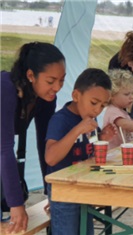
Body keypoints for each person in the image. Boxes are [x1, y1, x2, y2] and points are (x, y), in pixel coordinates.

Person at [1, 42, 66, 234]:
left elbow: (45, 144)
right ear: (31, 76)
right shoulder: (4, 88)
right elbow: (4, 149)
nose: (57, 87)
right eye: (51, 81)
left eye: (62, 80)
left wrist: (50, 192)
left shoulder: (45, 98)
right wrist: (16, 204)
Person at [45, 68, 114, 235]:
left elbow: (89, 151)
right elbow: (50, 158)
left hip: (83, 188)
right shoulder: (60, 119)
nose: (97, 110)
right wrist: (76, 130)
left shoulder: (89, 118)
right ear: (76, 96)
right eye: (94, 102)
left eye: (103, 106)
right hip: (64, 193)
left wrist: (103, 138)